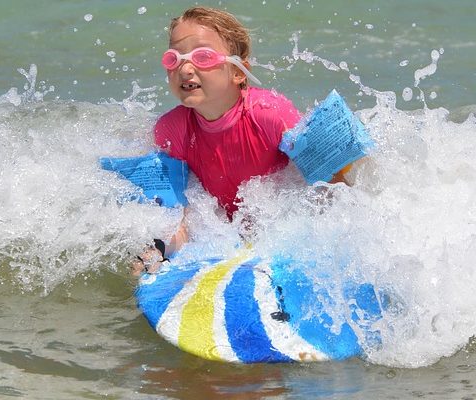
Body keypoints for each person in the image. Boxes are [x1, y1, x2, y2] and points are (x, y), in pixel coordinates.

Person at [132, 6, 353, 274]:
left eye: (202, 56)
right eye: (174, 58)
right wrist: (157, 250)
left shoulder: (270, 115)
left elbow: (330, 186)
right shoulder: (170, 130)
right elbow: (182, 213)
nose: (185, 68)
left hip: (279, 230)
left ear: (238, 72)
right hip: (220, 235)